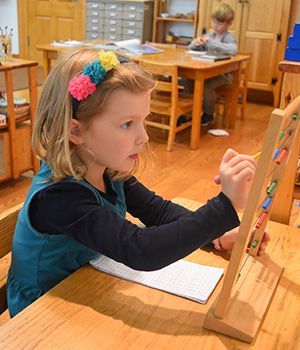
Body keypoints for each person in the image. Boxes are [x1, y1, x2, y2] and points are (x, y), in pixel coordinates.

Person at [7, 49, 269, 318]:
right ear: (76, 131)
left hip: (84, 286)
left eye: (144, 120)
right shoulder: (59, 198)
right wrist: (223, 207)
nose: (143, 136)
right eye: (127, 124)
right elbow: (141, 250)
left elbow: (159, 212)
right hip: (42, 311)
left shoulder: (107, 168)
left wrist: (217, 235)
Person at [189, 3, 237, 126]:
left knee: (207, 85)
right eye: (214, 22)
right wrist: (195, 44)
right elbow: (192, 48)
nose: (215, 26)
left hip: (225, 76)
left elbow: (233, 50)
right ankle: (190, 111)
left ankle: (208, 114)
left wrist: (213, 44)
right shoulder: (210, 35)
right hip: (207, 72)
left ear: (229, 24)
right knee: (188, 80)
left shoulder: (228, 38)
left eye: (219, 23)